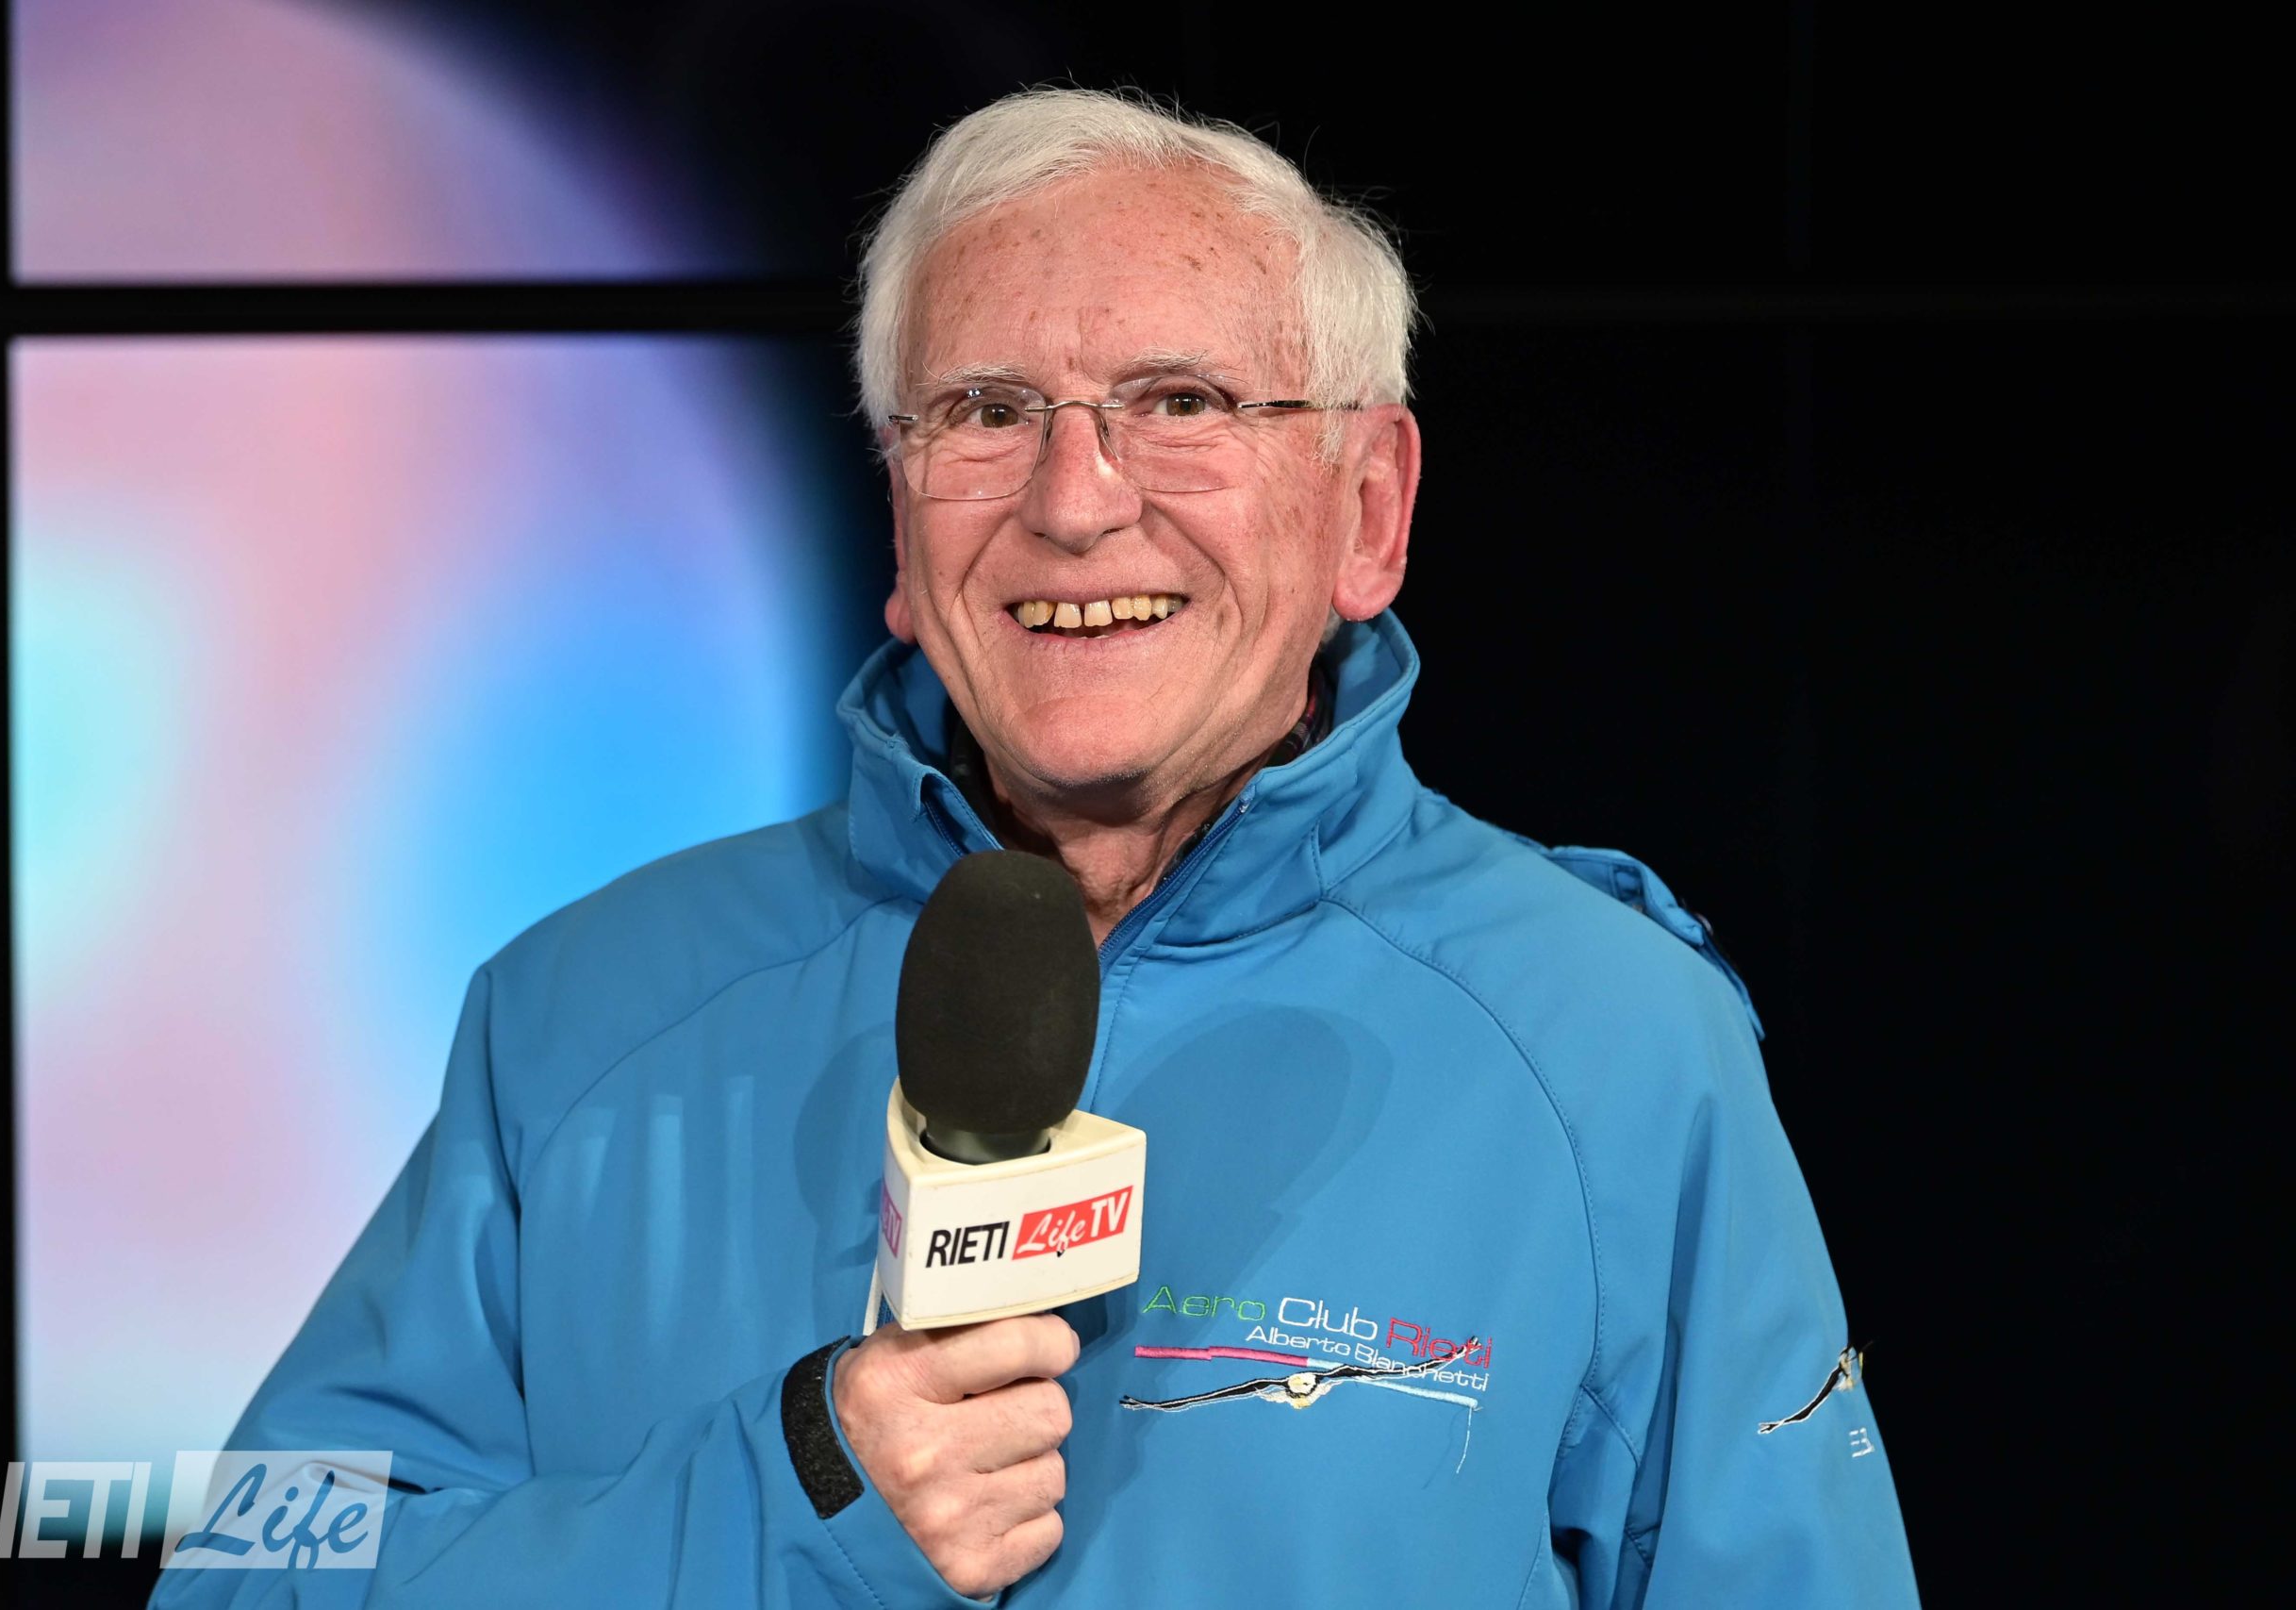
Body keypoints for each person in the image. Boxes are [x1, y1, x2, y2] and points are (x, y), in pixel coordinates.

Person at [150, 88, 1918, 1607]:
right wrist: (782, 1501)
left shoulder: (1615, 1047)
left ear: (1366, 511)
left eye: (1182, 403)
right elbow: (250, 1570)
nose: (1075, 501)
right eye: (987, 412)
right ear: (901, 521)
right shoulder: (578, 1014)